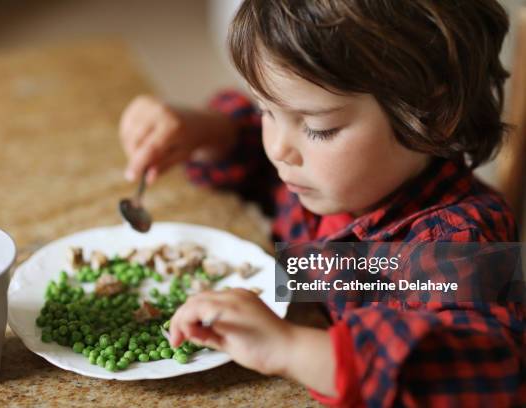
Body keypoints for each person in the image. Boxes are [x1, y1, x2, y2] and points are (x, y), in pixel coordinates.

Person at [118, 1, 525, 406]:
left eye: (318, 128)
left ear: (431, 113)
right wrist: (201, 131)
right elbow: (249, 156)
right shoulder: (327, 176)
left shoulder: (455, 241)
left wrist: (291, 348)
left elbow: (486, 375)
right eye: (267, 110)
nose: (278, 149)